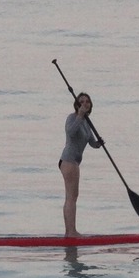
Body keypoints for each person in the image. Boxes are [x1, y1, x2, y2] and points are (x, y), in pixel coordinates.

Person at [59, 92, 103, 237]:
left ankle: (69, 232)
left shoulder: (87, 123)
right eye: (82, 101)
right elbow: (71, 133)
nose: (85, 103)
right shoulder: (72, 118)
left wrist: (98, 144)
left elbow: (91, 142)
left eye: (87, 101)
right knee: (71, 197)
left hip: (74, 162)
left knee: (72, 196)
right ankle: (71, 232)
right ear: (77, 105)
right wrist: (79, 115)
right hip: (68, 160)